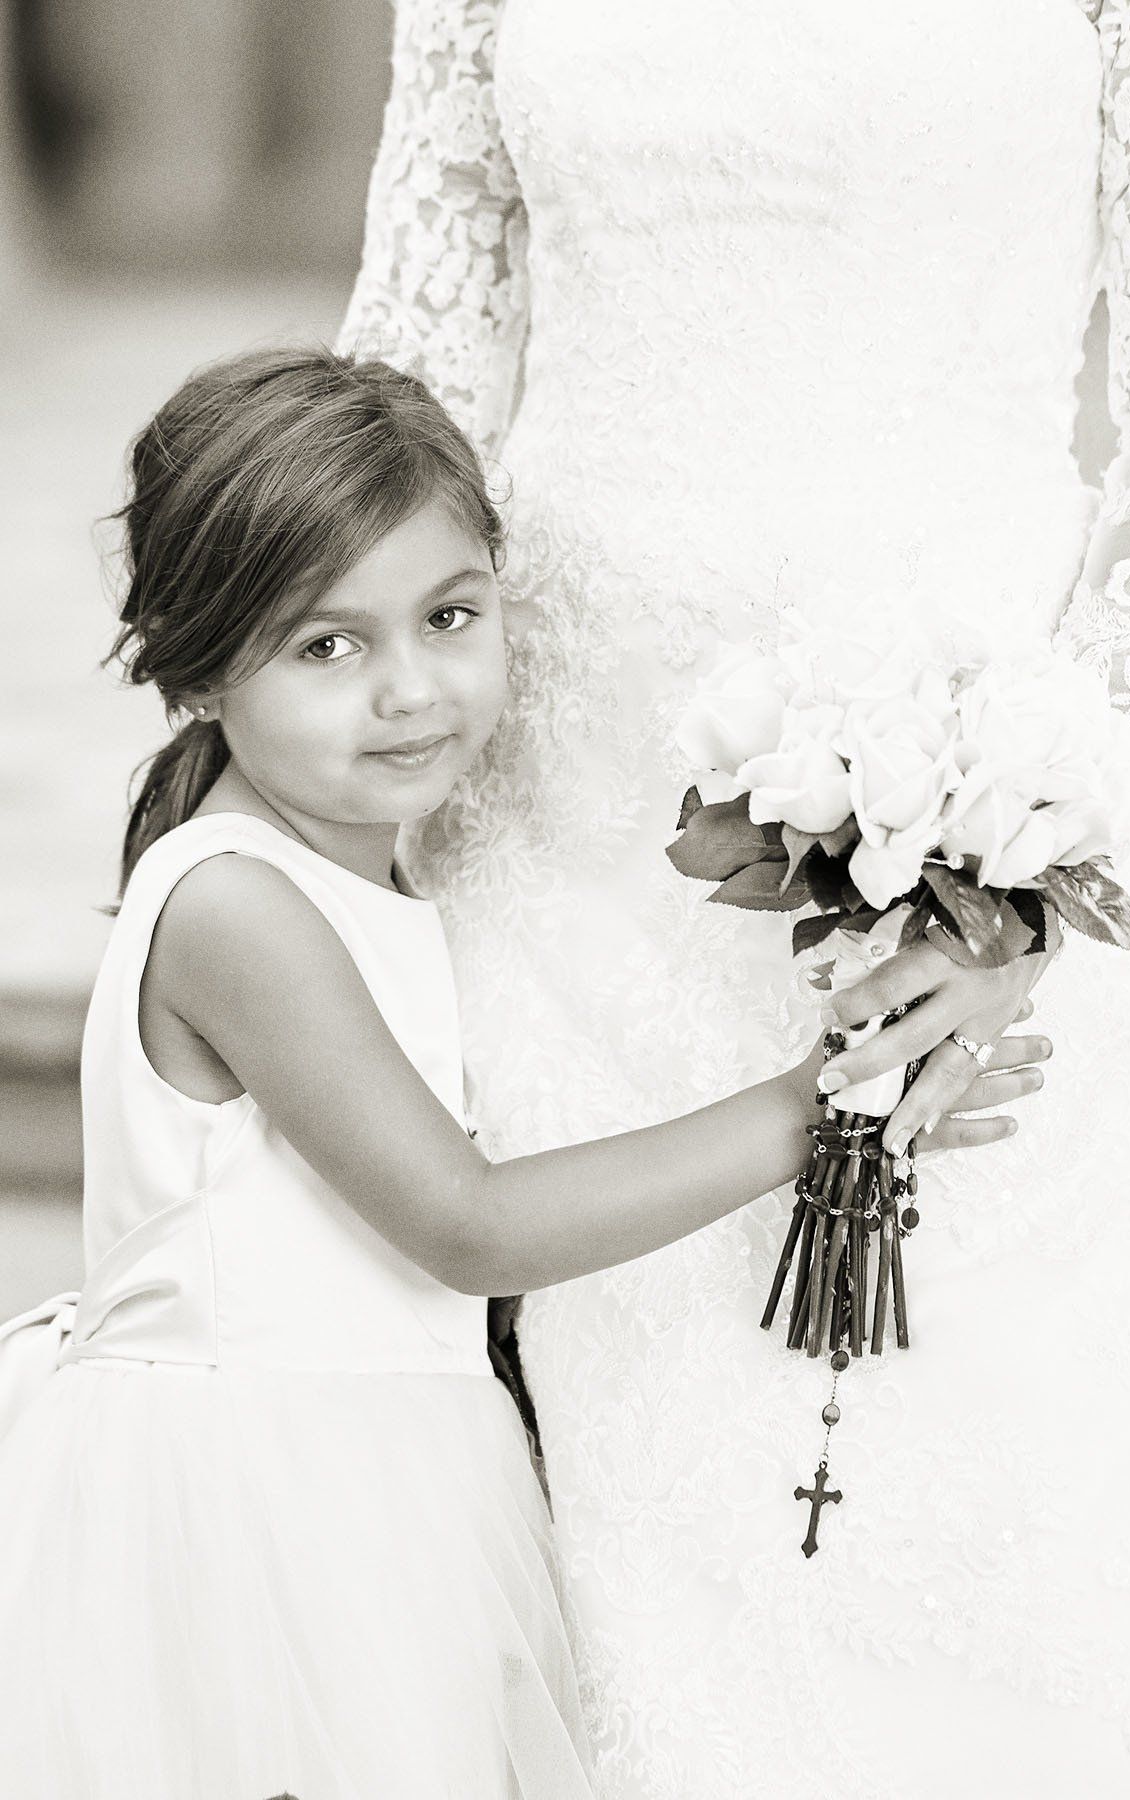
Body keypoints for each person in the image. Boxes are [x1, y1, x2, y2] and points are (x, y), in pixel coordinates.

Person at [337, 3, 1130, 1793]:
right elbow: (402, 382)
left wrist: (1040, 851)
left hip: (990, 820)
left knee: (1005, 1509)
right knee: (631, 1512)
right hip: (562, 817)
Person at [0, 347, 1038, 1797]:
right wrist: (814, 1102)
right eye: (326, 646)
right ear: (196, 665)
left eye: (448, 616)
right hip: (255, 1508)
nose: (412, 690)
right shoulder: (238, 905)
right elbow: (467, 1225)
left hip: (374, 1479)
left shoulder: (352, 873)